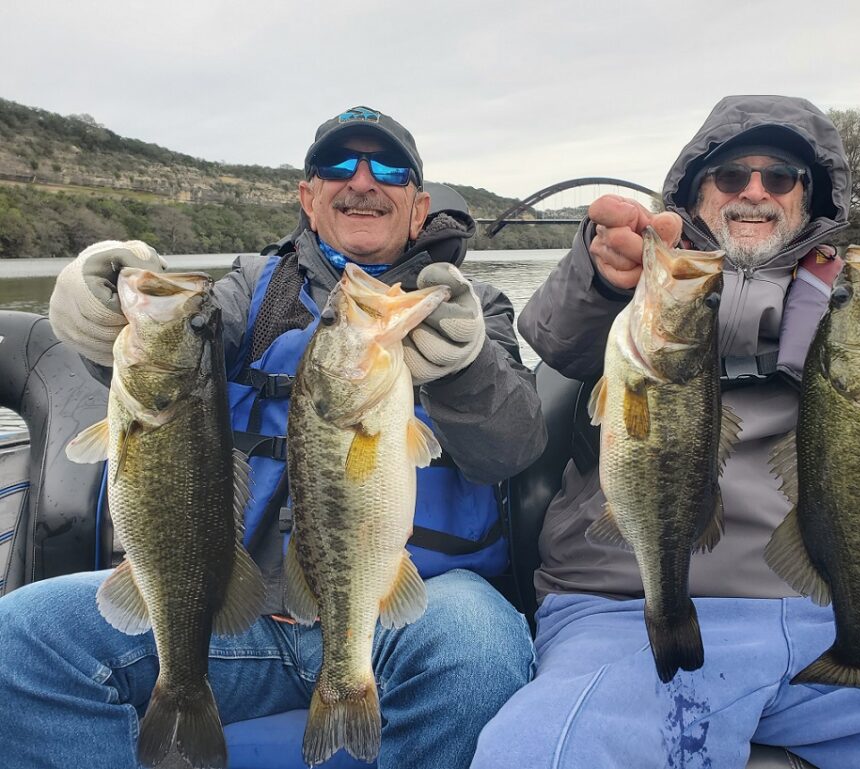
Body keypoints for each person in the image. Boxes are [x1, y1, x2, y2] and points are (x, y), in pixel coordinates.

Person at [471, 95, 860, 769]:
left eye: (781, 177)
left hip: (840, 603)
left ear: (809, 198)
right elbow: (556, 338)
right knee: (535, 755)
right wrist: (599, 274)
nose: (754, 192)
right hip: (628, 620)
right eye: (731, 177)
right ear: (695, 194)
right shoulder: (638, 293)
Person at [0, 106, 546, 769]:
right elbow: (162, 368)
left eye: (390, 169)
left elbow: (512, 447)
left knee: (479, 650)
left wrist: (465, 370)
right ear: (309, 199)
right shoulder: (251, 289)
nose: (364, 181)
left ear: (419, 203)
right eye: (339, 166)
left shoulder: (469, 305)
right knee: (20, 637)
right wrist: (98, 311)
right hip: (237, 613)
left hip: (405, 614)